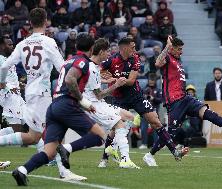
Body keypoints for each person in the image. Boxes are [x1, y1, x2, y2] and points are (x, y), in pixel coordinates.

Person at [143, 36, 222, 166]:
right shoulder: (168, 58)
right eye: (179, 49)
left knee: (211, 116)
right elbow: (157, 63)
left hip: (186, 98)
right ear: (172, 49)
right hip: (175, 102)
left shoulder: (178, 61)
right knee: (170, 133)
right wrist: (166, 47)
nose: (181, 51)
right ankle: (149, 155)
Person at [0, 8, 84, 185]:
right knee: (55, 129)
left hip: (29, 92)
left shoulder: (23, 43)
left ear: (30, 23)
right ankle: (64, 172)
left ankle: (63, 171)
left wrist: (1, 82)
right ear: (46, 21)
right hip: (42, 92)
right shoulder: (48, 42)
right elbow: (62, 66)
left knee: (33, 136)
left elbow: (4, 67)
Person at [11, 33, 107, 186]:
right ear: (92, 47)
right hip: (67, 104)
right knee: (100, 136)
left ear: (76, 46)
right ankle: (66, 149)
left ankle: (22, 170)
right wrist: (82, 101)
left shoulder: (69, 60)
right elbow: (70, 80)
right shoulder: (83, 62)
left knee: (49, 152)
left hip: (54, 106)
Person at [100, 37, 189, 163]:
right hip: (119, 98)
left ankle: (174, 151)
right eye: (132, 47)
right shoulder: (112, 60)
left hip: (136, 96)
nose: (135, 50)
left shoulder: (135, 58)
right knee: (115, 130)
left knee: (156, 122)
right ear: (124, 48)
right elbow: (99, 71)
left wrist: (114, 79)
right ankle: (104, 159)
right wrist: (107, 76)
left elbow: (131, 81)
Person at [57, 38, 140, 169]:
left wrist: (107, 81)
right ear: (101, 52)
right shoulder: (92, 68)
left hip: (95, 102)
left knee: (130, 117)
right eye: (107, 51)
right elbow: (99, 94)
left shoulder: (90, 66)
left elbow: (89, 84)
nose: (109, 54)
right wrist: (115, 85)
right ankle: (125, 160)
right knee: (118, 124)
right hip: (92, 104)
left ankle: (112, 148)